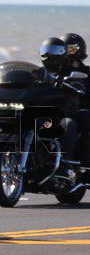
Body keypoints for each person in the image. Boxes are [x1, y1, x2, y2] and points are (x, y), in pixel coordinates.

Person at [38, 37, 80, 178]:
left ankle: (64, 167)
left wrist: (75, 84)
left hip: (62, 114)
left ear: (63, 53)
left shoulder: (70, 72)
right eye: (45, 51)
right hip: (39, 113)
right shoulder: (39, 72)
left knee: (68, 124)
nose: (48, 55)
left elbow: (79, 86)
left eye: (55, 51)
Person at [60, 33, 90, 167]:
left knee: (81, 119)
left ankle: (81, 163)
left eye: (71, 49)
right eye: (63, 49)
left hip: (77, 112)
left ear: (80, 50)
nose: (66, 52)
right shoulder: (54, 70)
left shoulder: (87, 73)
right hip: (56, 111)